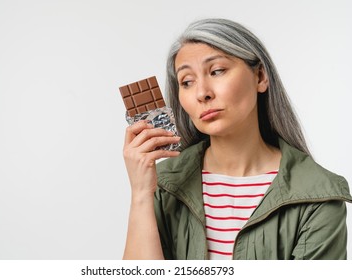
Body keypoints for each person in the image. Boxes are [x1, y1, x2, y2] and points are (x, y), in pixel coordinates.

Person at [122, 18, 352, 260]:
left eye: (217, 71)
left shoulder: (317, 196)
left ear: (261, 76)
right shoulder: (164, 187)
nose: (202, 93)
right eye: (187, 82)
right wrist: (140, 194)